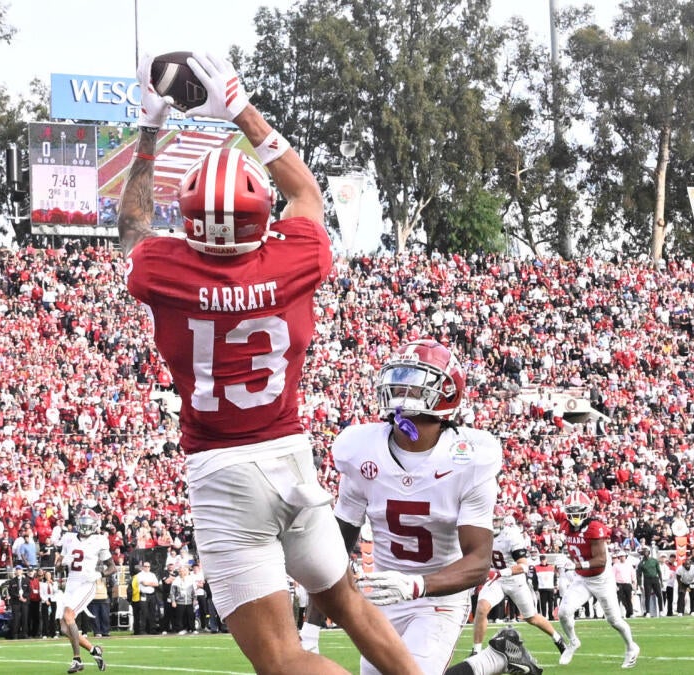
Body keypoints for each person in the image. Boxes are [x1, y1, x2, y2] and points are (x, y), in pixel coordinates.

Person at [120, 46, 420, 675]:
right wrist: (241, 110)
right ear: (263, 218)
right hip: (290, 459)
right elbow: (306, 192)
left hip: (225, 475)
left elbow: (133, 223)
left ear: (191, 220)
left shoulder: (163, 268)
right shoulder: (294, 257)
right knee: (347, 602)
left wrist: (149, 130)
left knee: (283, 661)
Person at [303, 340, 537, 675]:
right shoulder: (361, 450)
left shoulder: (469, 458)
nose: (400, 389)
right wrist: (310, 630)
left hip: (438, 596)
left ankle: (494, 659)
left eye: (413, 383)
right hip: (382, 594)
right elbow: (335, 549)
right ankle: (498, 657)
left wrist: (417, 585)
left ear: (446, 393)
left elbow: (477, 562)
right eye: (398, 380)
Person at [555, 491, 640, 668]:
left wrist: (578, 565)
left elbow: (600, 560)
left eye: (579, 511)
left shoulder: (594, 527)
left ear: (587, 511)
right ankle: (573, 642)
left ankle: (632, 647)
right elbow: (556, 514)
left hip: (601, 579)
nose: (575, 515)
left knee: (614, 621)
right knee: (563, 612)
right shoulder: (566, 523)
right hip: (582, 580)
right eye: (572, 511)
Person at [471, 510, 570, 660]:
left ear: (503, 521)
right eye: (491, 520)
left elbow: (523, 566)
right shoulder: (482, 534)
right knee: (481, 608)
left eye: (496, 520)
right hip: (496, 579)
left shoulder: (511, 536)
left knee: (531, 617)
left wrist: (500, 573)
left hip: (514, 580)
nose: (493, 523)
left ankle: (558, 638)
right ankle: (476, 651)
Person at [55, 509, 113, 673]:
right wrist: (62, 562)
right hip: (71, 583)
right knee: (64, 629)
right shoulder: (68, 538)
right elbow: (58, 568)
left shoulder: (99, 540)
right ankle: (94, 650)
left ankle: (77, 659)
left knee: (68, 616)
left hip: (87, 583)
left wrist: (99, 574)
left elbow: (112, 568)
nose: (85, 528)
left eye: (88, 524)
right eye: (83, 524)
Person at [131, 561, 159, 635]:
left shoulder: (152, 574)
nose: (147, 568)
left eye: (148, 566)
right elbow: (144, 583)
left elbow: (156, 584)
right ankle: (142, 630)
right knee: (143, 613)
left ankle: (152, 629)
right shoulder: (139, 575)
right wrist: (151, 583)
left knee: (152, 612)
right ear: (143, 567)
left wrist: (149, 583)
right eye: (145, 566)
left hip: (152, 595)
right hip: (144, 595)